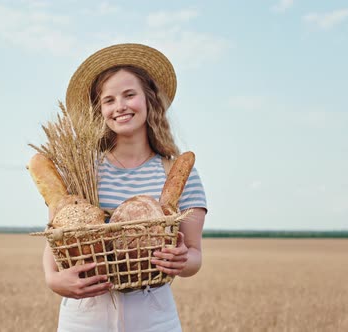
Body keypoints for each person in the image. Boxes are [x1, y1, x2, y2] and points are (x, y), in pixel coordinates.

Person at [42, 43, 208, 332]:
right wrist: (53, 279)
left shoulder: (179, 175)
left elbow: (194, 254)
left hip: (152, 315)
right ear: (100, 111)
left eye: (129, 95)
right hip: (84, 315)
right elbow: (57, 241)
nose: (120, 106)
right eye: (109, 100)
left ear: (149, 100)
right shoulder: (84, 173)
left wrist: (182, 260)